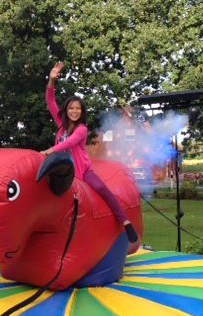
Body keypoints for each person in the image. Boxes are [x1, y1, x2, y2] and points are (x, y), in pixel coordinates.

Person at [40, 61, 139, 247]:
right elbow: (50, 101)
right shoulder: (61, 125)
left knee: (102, 189)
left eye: (78, 109)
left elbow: (70, 143)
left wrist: (50, 150)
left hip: (82, 172)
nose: (75, 111)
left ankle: (125, 222)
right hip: (62, 172)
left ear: (82, 111)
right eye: (71, 108)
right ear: (66, 110)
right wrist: (51, 81)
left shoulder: (82, 129)